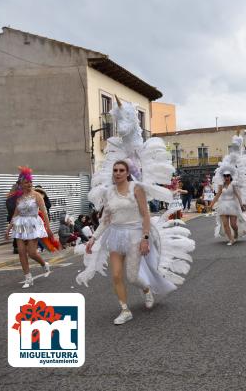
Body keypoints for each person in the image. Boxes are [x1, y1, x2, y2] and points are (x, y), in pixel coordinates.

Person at [76, 98, 194, 325]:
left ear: (127, 172)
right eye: (115, 170)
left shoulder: (136, 188)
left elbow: (146, 215)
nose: (118, 173)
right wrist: (93, 238)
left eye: (121, 170)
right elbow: (106, 219)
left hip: (134, 235)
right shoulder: (109, 192)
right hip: (115, 236)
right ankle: (124, 309)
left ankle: (147, 288)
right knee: (117, 275)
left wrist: (145, 238)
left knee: (132, 276)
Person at [5, 166, 53, 288]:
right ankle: (28, 278)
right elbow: (16, 213)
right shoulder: (19, 197)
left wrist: (48, 228)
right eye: (26, 182)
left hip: (33, 224)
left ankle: (44, 264)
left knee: (31, 253)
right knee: (21, 251)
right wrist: (9, 228)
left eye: (30, 181)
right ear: (21, 183)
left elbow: (44, 212)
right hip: (20, 224)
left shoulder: (37, 196)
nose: (29, 184)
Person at [212, 168, 246, 245]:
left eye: (228, 176)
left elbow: (238, 195)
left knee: (233, 224)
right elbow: (218, 195)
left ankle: (235, 232)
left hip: (232, 205)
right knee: (225, 224)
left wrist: (241, 205)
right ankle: (231, 239)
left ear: (230, 176)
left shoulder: (233, 184)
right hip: (223, 206)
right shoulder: (221, 185)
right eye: (225, 176)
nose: (226, 177)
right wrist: (211, 204)